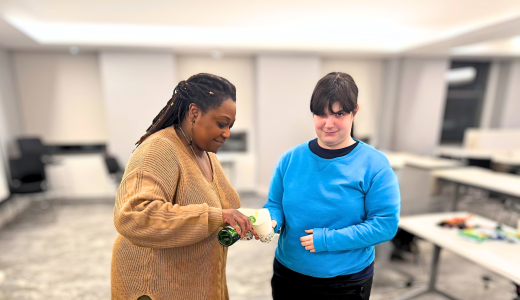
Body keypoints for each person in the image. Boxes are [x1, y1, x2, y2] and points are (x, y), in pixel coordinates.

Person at [111, 73, 255, 300]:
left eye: (230, 126)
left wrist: (241, 222)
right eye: (221, 124)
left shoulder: (205, 155)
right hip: (157, 286)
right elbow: (134, 215)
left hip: (195, 282)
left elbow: (220, 211)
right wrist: (215, 217)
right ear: (194, 112)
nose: (227, 133)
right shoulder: (159, 148)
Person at [264, 72, 401, 300]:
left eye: (339, 114)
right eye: (321, 114)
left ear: (354, 112)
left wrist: (327, 240)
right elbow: (275, 203)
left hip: (344, 282)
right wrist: (271, 220)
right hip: (288, 274)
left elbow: (385, 225)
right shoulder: (290, 159)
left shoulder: (374, 164)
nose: (328, 124)